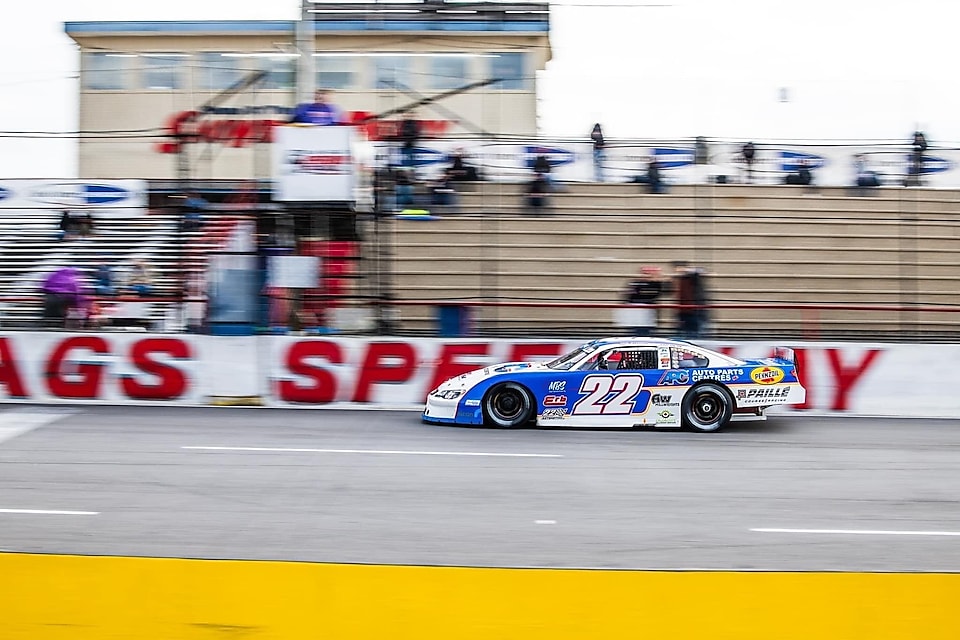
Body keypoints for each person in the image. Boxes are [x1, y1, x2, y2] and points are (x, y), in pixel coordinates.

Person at [622, 266, 665, 336]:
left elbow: (656, 294)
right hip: (636, 314)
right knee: (634, 332)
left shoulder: (655, 284)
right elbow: (629, 296)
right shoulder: (635, 283)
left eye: (649, 274)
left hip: (648, 314)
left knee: (647, 332)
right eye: (645, 274)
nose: (647, 276)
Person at [673, 261, 709, 338]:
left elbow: (700, 271)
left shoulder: (693, 278)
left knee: (695, 335)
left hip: (695, 312)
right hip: (683, 313)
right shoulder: (679, 280)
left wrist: (687, 270)